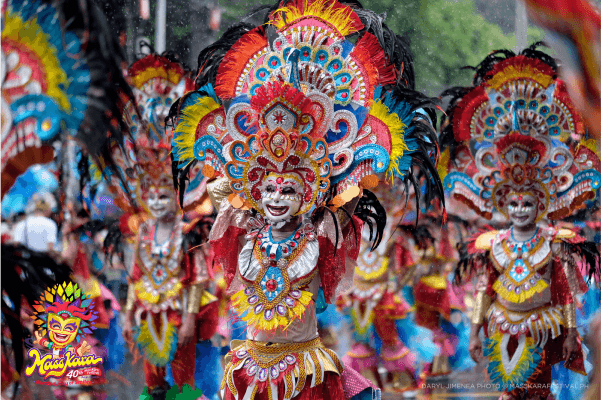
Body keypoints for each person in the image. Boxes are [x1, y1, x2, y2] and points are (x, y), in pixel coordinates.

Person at [170, 1, 444, 399]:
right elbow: (223, 190)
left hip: (304, 373)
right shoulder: (243, 231)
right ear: (254, 192)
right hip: (247, 370)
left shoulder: (321, 234)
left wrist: (348, 158)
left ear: (307, 196)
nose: (277, 197)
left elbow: (347, 200)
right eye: (268, 190)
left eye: (288, 190)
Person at [439, 43, 601, 400]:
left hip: (542, 330)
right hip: (501, 330)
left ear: (541, 203)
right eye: (513, 203)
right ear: (503, 203)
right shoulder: (492, 244)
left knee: (536, 393)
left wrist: (572, 334)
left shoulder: (555, 242)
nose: (520, 209)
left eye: (527, 203)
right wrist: (474, 331)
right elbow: (484, 288)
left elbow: (564, 292)